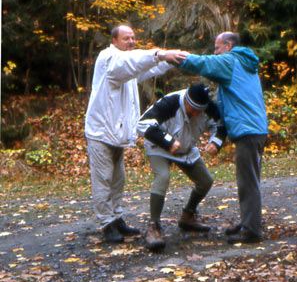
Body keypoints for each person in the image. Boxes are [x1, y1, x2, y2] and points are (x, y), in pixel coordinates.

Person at [85, 24, 187, 243]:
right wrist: (159, 53)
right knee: (103, 180)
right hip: (100, 133)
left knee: (118, 180)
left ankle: (117, 218)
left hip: (115, 134)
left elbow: (144, 69)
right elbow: (133, 63)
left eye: (133, 38)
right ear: (114, 41)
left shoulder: (127, 66)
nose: (131, 42)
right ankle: (106, 223)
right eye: (125, 38)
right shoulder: (110, 59)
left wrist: (168, 61)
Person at [177, 32, 268, 244]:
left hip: (248, 131)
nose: (215, 52)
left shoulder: (231, 61)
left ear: (228, 46)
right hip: (254, 129)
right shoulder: (244, 64)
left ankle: (252, 231)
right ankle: (248, 223)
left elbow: (203, 64)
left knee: (248, 183)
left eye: (217, 48)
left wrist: (175, 57)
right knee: (249, 180)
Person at [137, 83, 226, 251]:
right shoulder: (169, 103)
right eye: (192, 109)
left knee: (206, 181)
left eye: (199, 111)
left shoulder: (207, 107)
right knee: (162, 177)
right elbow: (142, 124)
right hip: (160, 147)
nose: (195, 114)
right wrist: (166, 141)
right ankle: (153, 226)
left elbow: (220, 125)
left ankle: (188, 216)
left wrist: (215, 142)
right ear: (185, 99)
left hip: (186, 148)